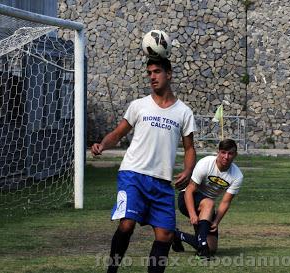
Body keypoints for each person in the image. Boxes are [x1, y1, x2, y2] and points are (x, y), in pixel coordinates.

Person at [91, 57, 196, 273]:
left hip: (162, 182)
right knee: (127, 223)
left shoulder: (183, 112)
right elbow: (118, 133)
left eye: (157, 71)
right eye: (149, 73)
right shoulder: (139, 105)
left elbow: (189, 148)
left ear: (169, 74)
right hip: (133, 174)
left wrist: (188, 170)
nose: (152, 77)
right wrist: (102, 145)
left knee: (165, 235)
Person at [172, 139, 244, 260]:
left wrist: (216, 221)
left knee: (212, 248)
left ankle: (176, 235)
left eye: (230, 153)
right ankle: (202, 250)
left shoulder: (237, 176)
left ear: (235, 155)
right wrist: (192, 214)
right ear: (218, 152)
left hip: (207, 209)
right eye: (223, 152)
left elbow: (225, 202)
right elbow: (189, 190)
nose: (226, 157)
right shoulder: (206, 163)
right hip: (187, 199)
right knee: (210, 202)